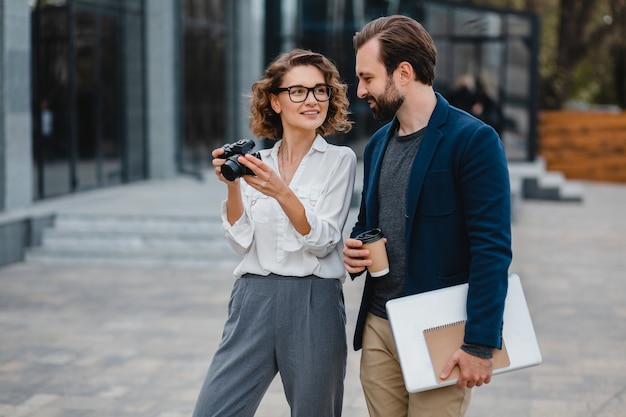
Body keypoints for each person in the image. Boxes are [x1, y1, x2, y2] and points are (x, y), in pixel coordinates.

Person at [343, 15, 512, 417]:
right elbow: (368, 222)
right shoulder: (377, 144)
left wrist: (479, 344)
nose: (360, 89)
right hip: (380, 327)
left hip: (441, 332)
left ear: (403, 72)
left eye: (367, 78)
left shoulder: (473, 141)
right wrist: (356, 248)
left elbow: (492, 250)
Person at [192, 49, 357, 417]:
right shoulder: (257, 164)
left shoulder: (340, 161)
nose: (312, 100)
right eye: (297, 91)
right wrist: (233, 186)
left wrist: (280, 190)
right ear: (275, 101)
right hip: (253, 298)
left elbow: (324, 241)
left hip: (314, 303)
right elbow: (240, 240)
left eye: (320, 90)